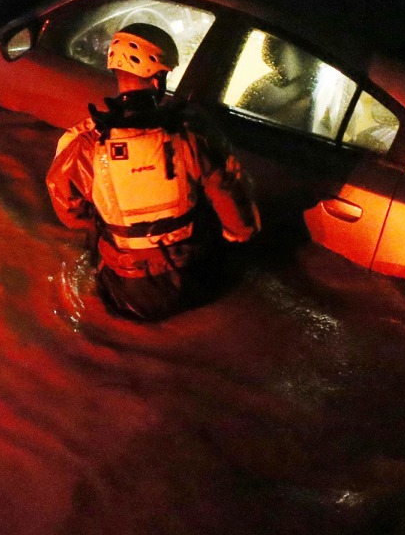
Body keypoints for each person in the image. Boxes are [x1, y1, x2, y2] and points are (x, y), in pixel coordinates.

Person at [46, 23, 260, 320]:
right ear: (158, 80)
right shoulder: (194, 134)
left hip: (124, 293)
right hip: (194, 282)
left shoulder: (84, 144)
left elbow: (70, 214)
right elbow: (241, 225)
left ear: (116, 73)